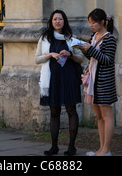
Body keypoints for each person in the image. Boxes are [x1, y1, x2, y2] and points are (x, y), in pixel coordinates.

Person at [35, 9, 84, 156]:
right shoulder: (44, 38)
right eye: (55, 19)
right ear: (51, 21)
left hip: (68, 78)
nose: (58, 21)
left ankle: (71, 147)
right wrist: (49, 55)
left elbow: (81, 58)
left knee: (71, 110)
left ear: (64, 21)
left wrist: (70, 54)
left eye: (60, 19)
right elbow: (36, 59)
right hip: (52, 79)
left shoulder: (71, 38)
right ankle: (54, 146)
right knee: (54, 111)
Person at [81, 8, 117, 157]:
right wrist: (83, 49)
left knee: (107, 116)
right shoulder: (94, 36)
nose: (92, 25)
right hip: (93, 82)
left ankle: (107, 150)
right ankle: (101, 148)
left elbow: (108, 60)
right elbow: (92, 58)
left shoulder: (109, 38)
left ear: (102, 22)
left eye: (94, 22)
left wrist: (91, 50)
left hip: (104, 82)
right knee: (99, 117)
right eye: (90, 22)